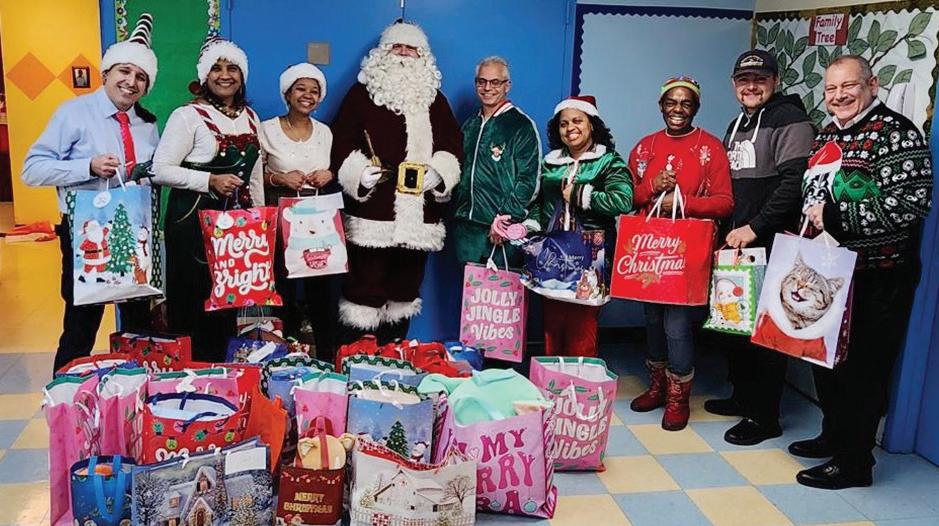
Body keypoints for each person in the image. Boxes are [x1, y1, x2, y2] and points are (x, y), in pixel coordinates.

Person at [793, 55, 932, 489]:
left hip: (878, 276)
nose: (838, 96)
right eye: (831, 89)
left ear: (872, 85)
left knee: (863, 372)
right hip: (828, 272)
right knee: (826, 361)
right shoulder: (827, 133)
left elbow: (911, 205)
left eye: (848, 86)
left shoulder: (896, 133)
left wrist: (834, 217)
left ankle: (854, 464)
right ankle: (834, 437)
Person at [22, 14, 160, 373]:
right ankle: (66, 395)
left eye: (141, 77)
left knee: (138, 326)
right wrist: (87, 166)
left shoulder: (148, 124)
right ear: (106, 74)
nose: (131, 82)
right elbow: (32, 169)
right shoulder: (74, 113)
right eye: (124, 72)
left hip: (134, 236)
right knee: (81, 325)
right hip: (87, 234)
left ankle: (133, 394)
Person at [705, 50, 815, 445]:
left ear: (775, 81)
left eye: (760, 79)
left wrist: (754, 227)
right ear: (734, 84)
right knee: (736, 324)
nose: (751, 86)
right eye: (743, 80)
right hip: (737, 244)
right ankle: (743, 397)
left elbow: (794, 184)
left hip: (771, 243)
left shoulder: (790, 119)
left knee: (767, 332)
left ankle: (764, 416)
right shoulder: (737, 123)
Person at [331, 20, 462, 344]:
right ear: (383, 53)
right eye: (397, 47)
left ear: (422, 56)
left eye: (411, 48)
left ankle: (394, 356)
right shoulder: (360, 96)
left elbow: (452, 145)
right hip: (373, 213)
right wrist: (359, 173)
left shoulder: (435, 100)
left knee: (405, 289)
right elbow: (341, 140)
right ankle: (356, 357)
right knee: (364, 288)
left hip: (418, 215)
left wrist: (439, 172)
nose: (403, 54)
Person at [628, 76, 733, 431]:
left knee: (676, 325)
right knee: (652, 319)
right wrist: (651, 187)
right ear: (661, 106)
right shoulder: (644, 148)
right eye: (671, 102)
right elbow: (627, 197)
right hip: (650, 251)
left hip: (687, 253)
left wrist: (683, 202)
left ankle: (678, 397)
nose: (678, 109)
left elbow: (724, 203)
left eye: (686, 103)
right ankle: (657, 387)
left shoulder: (711, 148)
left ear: (696, 108)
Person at [152, 35, 264, 361]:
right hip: (191, 224)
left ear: (242, 75)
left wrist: (258, 223)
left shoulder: (250, 117)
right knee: (193, 303)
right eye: (216, 68)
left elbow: (255, 176)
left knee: (227, 303)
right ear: (204, 75)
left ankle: (224, 376)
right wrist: (209, 181)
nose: (225, 75)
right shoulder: (187, 116)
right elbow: (159, 170)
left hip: (235, 226)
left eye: (232, 68)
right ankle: (192, 377)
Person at [521, 95, 633, 358]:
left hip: (591, 255)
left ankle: (579, 379)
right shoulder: (551, 162)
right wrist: (531, 226)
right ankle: (551, 378)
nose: (570, 127)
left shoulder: (608, 161)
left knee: (582, 325)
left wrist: (582, 195)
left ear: (591, 124)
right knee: (552, 321)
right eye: (564, 123)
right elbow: (539, 202)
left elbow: (624, 200)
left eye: (577, 121)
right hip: (552, 253)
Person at [260, 62, 338, 361]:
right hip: (281, 215)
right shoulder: (266, 129)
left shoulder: (325, 133)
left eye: (314, 91)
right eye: (300, 89)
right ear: (287, 94)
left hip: (319, 215)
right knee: (284, 289)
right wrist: (279, 178)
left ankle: (327, 358)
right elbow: (253, 176)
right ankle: (284, 356)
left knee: (322, 290)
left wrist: (329, 174)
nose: (307, 95)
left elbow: (331, 169)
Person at [453, 56, 541, 268]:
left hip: (501, 232)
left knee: (502, 289)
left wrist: (504, 220)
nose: (487, 88)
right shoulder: (469, 126)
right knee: (468, 289)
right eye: (481, 81)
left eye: (495, 82)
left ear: (507, 85)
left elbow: (528, 181)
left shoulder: (521, 126)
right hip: (468, 231)